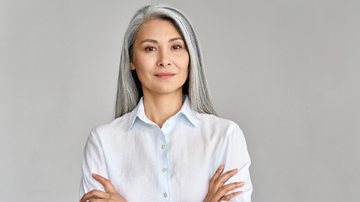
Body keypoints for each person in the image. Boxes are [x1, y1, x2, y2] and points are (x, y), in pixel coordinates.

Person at [79, 4, 253, 202]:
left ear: (190, 56)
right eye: (150, 48)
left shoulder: (225, 137)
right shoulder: (103, 142)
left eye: (176, 47)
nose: (164, 60)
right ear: (131, 60)